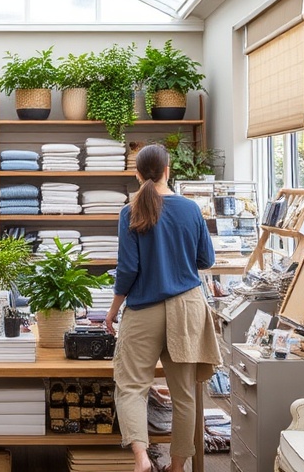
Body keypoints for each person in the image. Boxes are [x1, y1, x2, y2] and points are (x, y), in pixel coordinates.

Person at [104, 143, 220, 472]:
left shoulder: (130, 211)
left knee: (131, 387)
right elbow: (206, 260)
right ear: (169, 170)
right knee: (184, 394)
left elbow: (127, 270)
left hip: (143, 310)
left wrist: (114, 309)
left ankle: (141, 460)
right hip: (186, 308)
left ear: (138, 174)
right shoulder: (191, 209)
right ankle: (177, 466)